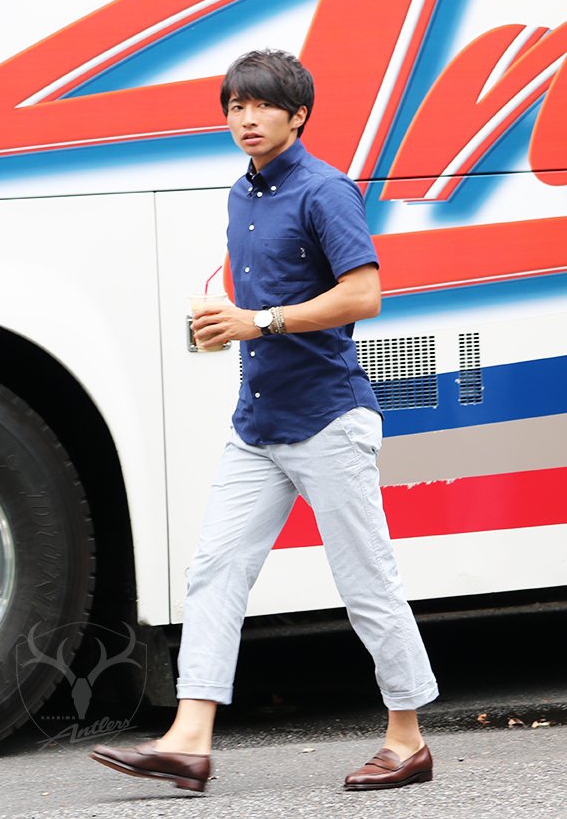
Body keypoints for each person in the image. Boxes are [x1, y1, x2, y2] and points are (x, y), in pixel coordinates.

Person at [90, 49, 438, 793]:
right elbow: (258, 300)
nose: (245, 119)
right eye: (234, 106)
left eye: (261, 106)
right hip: (258, 425)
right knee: (215, 570)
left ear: (297, 115)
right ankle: (189, 740)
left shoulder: (325, 190)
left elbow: (364, 295)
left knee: (366, 582)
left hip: (328, 420)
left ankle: (407, 740)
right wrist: (227, 322)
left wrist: (263, 320)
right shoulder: (240, 194)